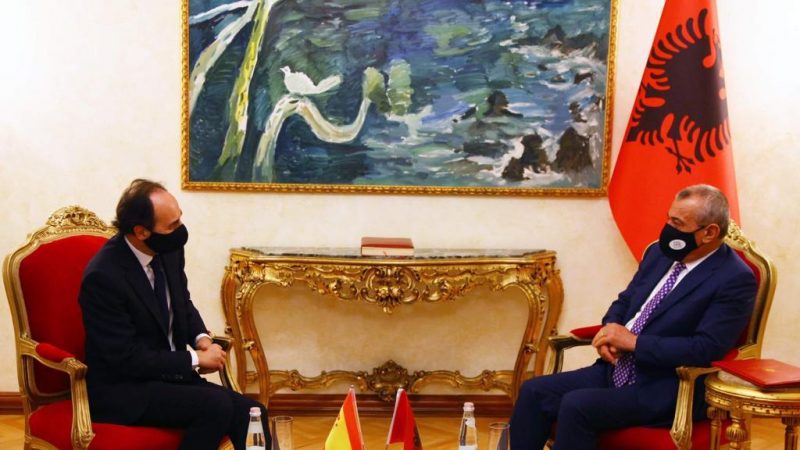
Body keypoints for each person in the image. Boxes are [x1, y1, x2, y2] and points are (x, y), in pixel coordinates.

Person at [509, 184, 756, 450]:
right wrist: (610, 330)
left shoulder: (734, 279)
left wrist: (634, 343)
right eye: (668, 218)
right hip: (616, 368)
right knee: (534, 392)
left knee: (577, 405)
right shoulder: (659, 253)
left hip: (668, 386)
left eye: (677, 223)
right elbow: (626, 300)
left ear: (709, 232)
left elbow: (706, 348)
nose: (668, 228)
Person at [79, 179, 270, 450]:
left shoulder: (168, 250)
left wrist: (202, 339)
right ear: (141, 232)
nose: (180, 230)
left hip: (169, 378)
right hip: (125, 389)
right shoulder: (103, 277)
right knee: (215, 406)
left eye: (180, 218)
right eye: (172, 226)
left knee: (254, 414)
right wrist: (195, 359)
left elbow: (182, 302)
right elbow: (126, 358)